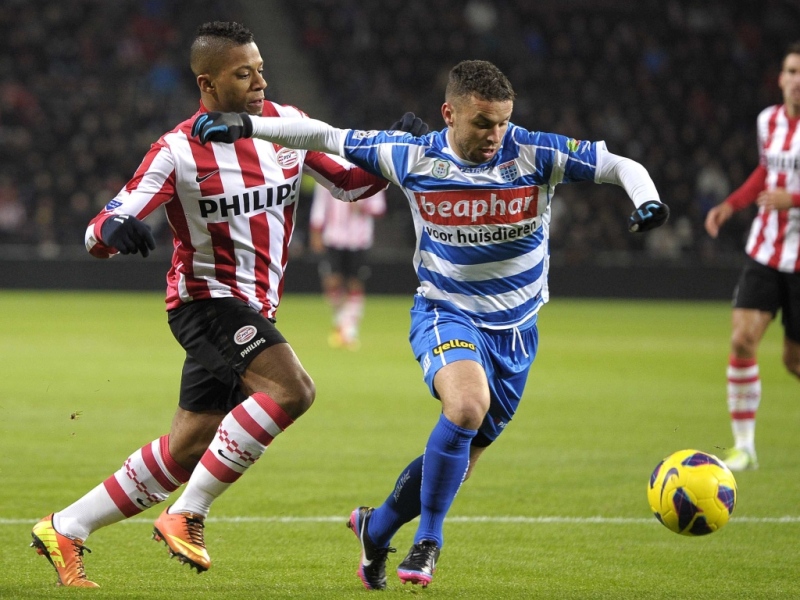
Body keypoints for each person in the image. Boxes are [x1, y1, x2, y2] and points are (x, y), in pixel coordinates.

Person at [192, 59, 669, 589]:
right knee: (465, 407)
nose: (495, 135)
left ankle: (377, 527)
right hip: (445, 312)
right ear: (449, 114)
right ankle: (429, 541)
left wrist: (647, 200)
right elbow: (324, 136)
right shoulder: (413, 155)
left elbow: (620, 165)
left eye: (502, 122)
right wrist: (247, 125)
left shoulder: (534, 153)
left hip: (516, 331)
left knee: (462, 453)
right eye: (482, 123)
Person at [29, 21, 424, 588]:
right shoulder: (176, 150)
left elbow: (351, 184)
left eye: (261, 69)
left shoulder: (285, 125)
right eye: (244, 74)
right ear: (207, 84)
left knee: (187, 448)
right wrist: (116, 229)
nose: (260, 81)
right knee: (293, 389)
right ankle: (187, 513)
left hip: (255, 308)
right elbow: (99, 228)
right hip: (205, 302)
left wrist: (392, 153)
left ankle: (66, 526)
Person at [704, 41, 800, 472]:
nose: (797, 81)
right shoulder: (768, 121)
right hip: (764, 250)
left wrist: (793, 199)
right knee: (742, 339)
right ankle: (744, 447)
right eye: (791, 71)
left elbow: (784, 188)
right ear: (780, 78)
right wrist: (732, 204)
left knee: (793, 360)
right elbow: (766, 171)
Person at [309, 181, 387, 349]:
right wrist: (316, 231)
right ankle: (340, 322)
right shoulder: (328, 173)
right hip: (333, 237)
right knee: (332, 282)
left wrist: (363, 207)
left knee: (354, 282)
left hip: (359, 239)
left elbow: (379, 207)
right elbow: (319, 205)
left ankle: (349, 329)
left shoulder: (370, 173)